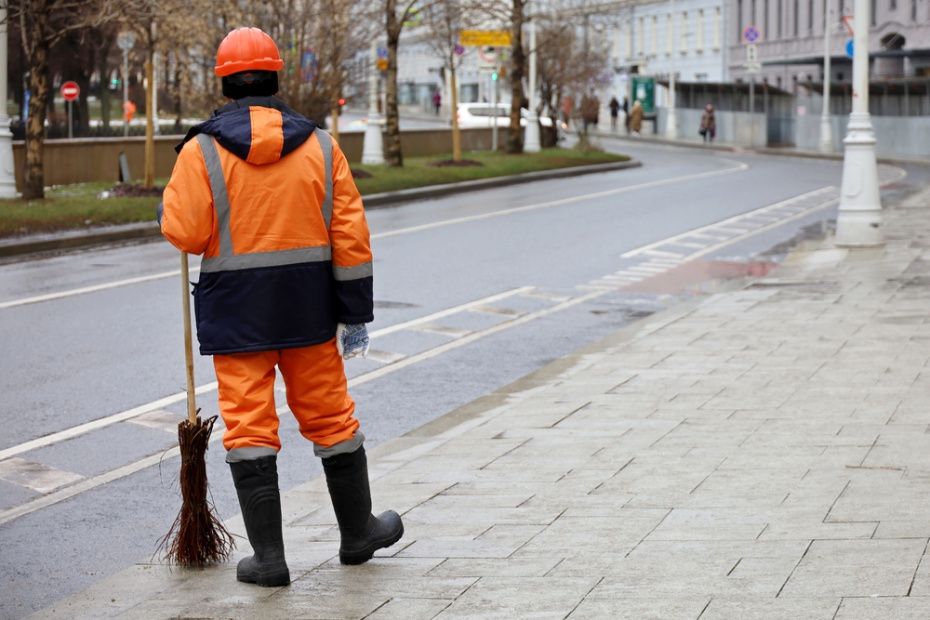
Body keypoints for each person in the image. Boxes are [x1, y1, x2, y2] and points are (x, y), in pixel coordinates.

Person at [159, 27, 403, 587]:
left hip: (237, 316)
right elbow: (352, 238)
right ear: (276, 77)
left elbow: (187, 233)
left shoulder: (201, 152)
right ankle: (358, 532)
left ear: (224, 83)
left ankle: (269, 559)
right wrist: (354, 312)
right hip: (307, 313)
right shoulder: (321, 146)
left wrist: (168, 211)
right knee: (331, 417)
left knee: (248, 425)